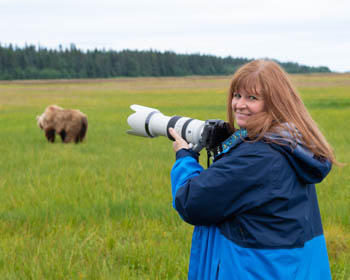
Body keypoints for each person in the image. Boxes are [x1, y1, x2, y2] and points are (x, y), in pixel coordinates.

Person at [168, 60, 336, 280]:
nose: (239, 104)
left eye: (252, 98)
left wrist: (185, 158)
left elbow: (191, 202)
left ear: (275, 103)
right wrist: (229, 145)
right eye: (237, 95)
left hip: (254, 269)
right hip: (290, 267)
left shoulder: (256, 157)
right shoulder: (292, 142)